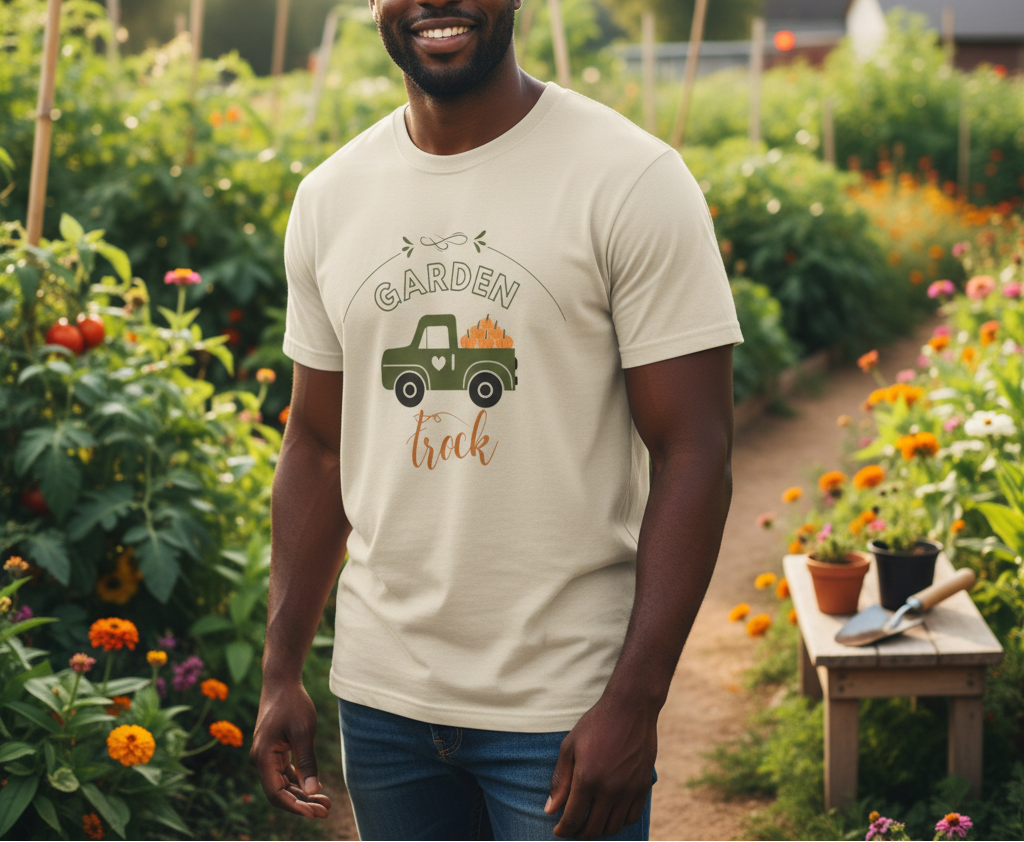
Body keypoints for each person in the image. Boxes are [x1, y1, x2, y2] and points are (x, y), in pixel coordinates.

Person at [251, 0, 742, 839]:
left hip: (564, 707)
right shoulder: (330, 197)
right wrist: (280, 669)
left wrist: (635, 700)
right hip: (381, 704)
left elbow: (694, 449)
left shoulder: (629, 178)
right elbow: (321, 445)